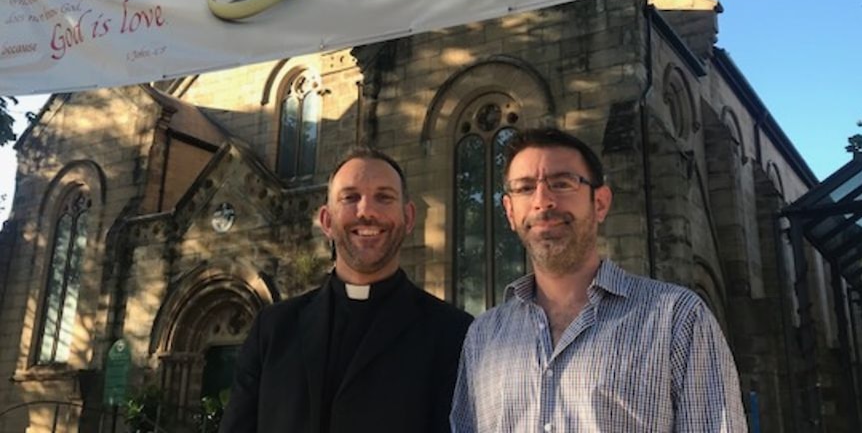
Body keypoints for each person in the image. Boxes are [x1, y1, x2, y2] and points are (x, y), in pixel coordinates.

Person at [450, 127, 748, 432]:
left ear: (600, 203)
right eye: (525, 188)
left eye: (562, 183)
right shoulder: (483, 337)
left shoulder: (678, 319)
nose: (542, 201)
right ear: (510, 212)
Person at [220, 147, 472, 433]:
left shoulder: (453, 333)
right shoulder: (273, 329)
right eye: (350, 197)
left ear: (409, 217)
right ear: (327, 221)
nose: (366, 211)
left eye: (384, 197)